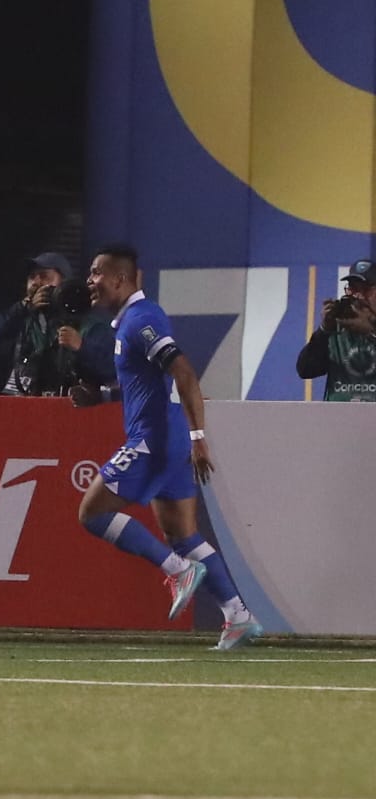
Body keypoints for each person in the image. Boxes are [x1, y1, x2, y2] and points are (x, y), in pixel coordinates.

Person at [68, 242, 262, 650]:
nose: (90, 281)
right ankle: (238, 615)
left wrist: (198, 438)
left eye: (97, 273)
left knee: (92, 512)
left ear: (120, 279)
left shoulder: (141, 320)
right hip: (168, 437)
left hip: (155, 440)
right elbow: (145, 381)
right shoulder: (130, 322)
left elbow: (185, 372)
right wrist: (102, 395)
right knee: (182, 533)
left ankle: (177, 572)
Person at [0, 251, 113, 396]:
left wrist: (81, 347)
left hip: (67, 410)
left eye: (44, 276)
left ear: (64, 283)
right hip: (21, 407)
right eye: (31, 277)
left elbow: (112, 370)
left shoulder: (89, 326)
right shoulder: (22, 322)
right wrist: (23, 308)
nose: (36, 283)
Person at [296, 258, 376, 402]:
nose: (358, 295)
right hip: (338, 418)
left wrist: (370, 332)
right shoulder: (336, 329)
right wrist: (324, 330)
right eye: (353, 289)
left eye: (365, 289)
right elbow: (305, 369)